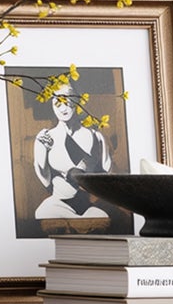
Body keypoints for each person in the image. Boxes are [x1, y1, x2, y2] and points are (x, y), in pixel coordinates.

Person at [28, 91, 112, 232]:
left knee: (102, 219)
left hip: (87, 206)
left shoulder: (96, 137)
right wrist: (41, 148)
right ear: (52, 106)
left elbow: (106, 174)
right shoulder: (46, 138)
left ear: (77, 101)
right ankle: (76, 225)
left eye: (67, 102)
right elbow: (45, 179)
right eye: (57, 103)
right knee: (43, 212)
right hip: (58, 204)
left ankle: (77, 224)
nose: (63, 108)